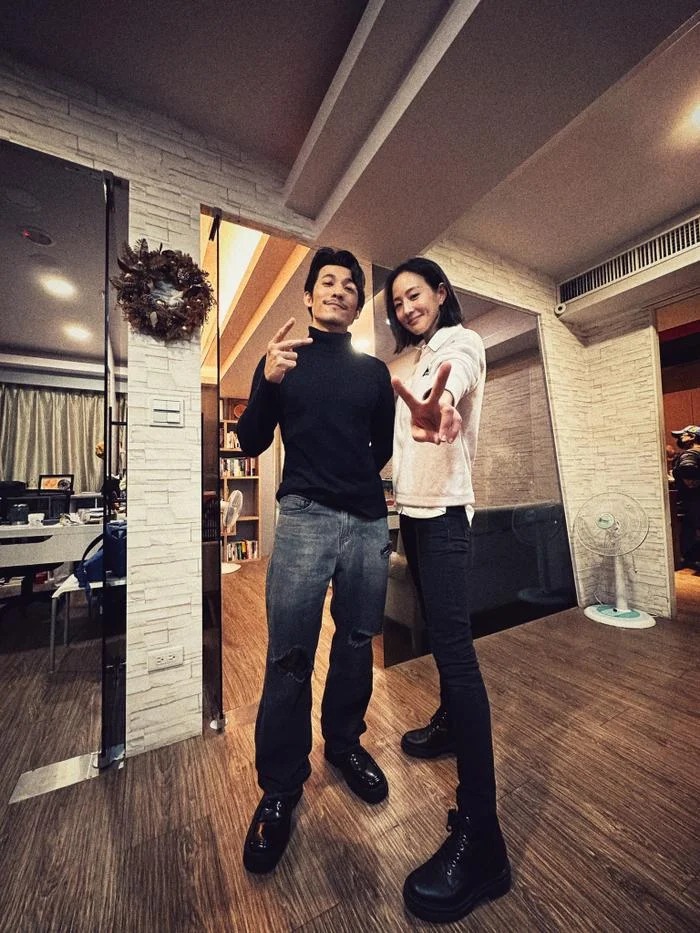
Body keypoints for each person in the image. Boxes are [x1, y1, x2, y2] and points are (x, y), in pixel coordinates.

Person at [236, 246, 395, 874]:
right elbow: (250, 441)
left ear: (356, 305)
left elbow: (381, 447)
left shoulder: (374, 373)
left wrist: (351, 481)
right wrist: (266, 380)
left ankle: (345, 742)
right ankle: (280, 786)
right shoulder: (284, 360)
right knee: (290, 652)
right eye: (327, 281)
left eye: (349, 285)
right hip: (303, 516)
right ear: (308, 297)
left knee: (357, 640)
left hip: (367, 518)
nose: (338, 290)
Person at [385, 256, 510, 924]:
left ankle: (482, 839)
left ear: (440, 292)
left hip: (445, 518)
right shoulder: (414, 357)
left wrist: (444, 405)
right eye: (397, 302)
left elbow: (453, 380)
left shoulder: (461, 342)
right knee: (438, 635)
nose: (406, 307)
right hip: (415, 513)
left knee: (457, 654)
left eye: (415, 294)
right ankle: (449, 722)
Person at [671, 425, 700, 569]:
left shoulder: (690, 454)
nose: (680, 438)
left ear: (692, 437)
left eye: (683, 435)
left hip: (694, 501)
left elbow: (690, 480)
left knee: (690, 530)